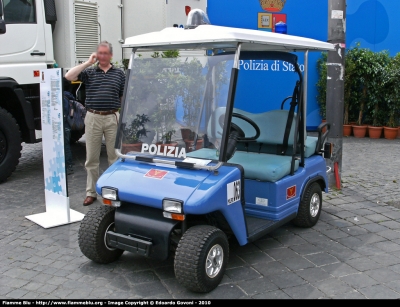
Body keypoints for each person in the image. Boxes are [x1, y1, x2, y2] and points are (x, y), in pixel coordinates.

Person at [65, 41, 125, 206]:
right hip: (93, 118)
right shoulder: (89, 72)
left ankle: (113, 190)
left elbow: (122, 97)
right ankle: (91, 192)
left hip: (112, 117)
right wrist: (87, 63)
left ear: (110, 55)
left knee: (114, 157)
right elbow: (69, 76)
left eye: (105, 53)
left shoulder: (119, 74)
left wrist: (123, 117)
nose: (102, 56)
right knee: (92, 158)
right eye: (100, 53)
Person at [63, 90, 76, 175]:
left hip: (64, 124)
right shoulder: (67, 96)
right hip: (67, 124)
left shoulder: (61, 98)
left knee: (65, 145)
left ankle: (69, 166)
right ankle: (69, 164)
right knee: (66, 144)